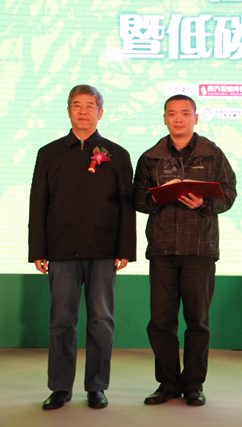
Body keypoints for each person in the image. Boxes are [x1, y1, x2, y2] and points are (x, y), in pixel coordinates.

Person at [29, 84, 136, 410]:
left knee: (101, 321)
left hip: (103, 250)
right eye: (77, 105)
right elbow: (38, 203)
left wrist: (125, 249)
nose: (83, 111)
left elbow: (126, 206)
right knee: (61, 321)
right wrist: (38, 250)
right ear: (68, 110)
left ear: (100, 113)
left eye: (90, 106)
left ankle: (97, 386)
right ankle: (60, 387)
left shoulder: (117, 154)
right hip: (61, 250)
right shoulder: (49, 153)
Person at [133, 95, 237, 407]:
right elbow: (137, 198)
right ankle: (167, 383)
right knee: (161, 322)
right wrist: (157, 197)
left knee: (197, 321)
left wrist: (204, 203)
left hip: (200, 249)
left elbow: (229, 193)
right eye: (172, 114)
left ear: (196, 118)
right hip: (162, 249)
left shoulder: (213, 154)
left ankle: (193, 384)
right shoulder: (150, 157)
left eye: (184, 113)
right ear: (164, 118)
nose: (178, 119)